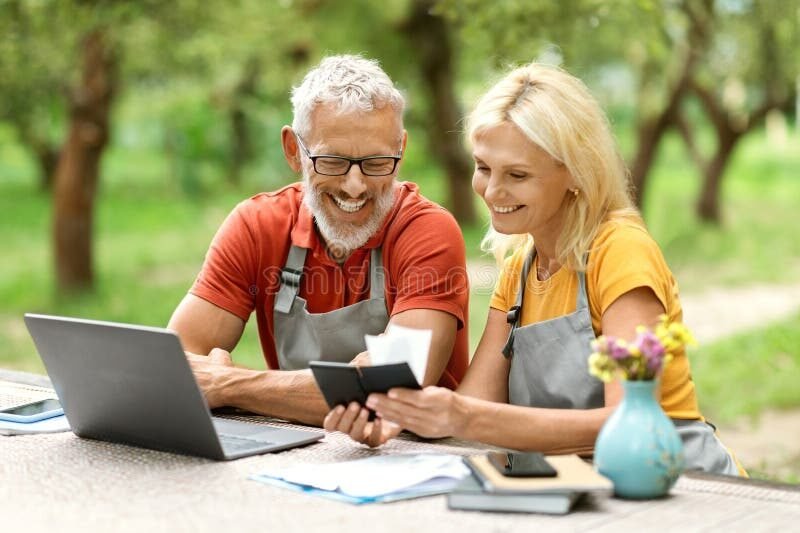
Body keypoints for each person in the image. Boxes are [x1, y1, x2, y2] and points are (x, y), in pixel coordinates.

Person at [325, 62, 743, 475]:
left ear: (577, 173)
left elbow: (628, 423)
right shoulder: (520, 265)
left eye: (518, 175)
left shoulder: (620, 251)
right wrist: (395, 417)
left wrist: (461, 416)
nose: (492, 191)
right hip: (583, 488)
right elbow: (477, 406)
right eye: (484, 167)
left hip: (680, 485)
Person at [168, 55, 469, 432]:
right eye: (333, 161)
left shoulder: (427, 232)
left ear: (401, 150)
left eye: (377, 162)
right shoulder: (257, 225)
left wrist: (232, 385)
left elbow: (392, 388)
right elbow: (176, 367)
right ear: (294, 150)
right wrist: (321, 390)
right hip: (300, 453)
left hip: (416, 457)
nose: (355, 185)